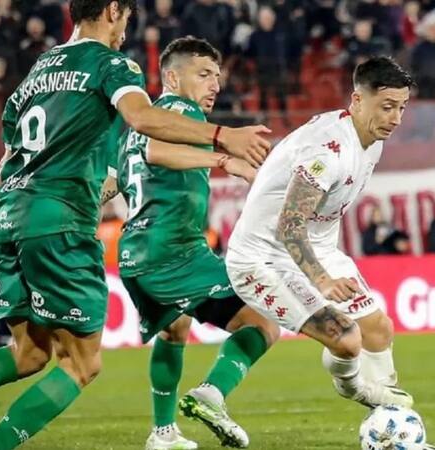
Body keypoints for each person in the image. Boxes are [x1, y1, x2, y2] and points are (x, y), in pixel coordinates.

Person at [0, 1, 271, 448]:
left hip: (11, 219)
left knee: (28, 355)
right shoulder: (111, 65)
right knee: (81, 365)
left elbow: (9, 161)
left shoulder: (37, 73)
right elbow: (143, 121)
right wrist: (225, 137)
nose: (127, 27)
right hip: (60, 224)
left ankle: (163, 432)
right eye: (126, 15)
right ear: (111, 10)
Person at [104, 36, 281, 450]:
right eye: (203, 75)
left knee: (174, 331)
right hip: (173, 250)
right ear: (171, 77)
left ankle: (163, 432)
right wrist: (225, 159)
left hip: (136, 251)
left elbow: (118, 178)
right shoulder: (176, 112)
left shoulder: (136, 126)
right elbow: (156, 149)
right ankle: (212, 394)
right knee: (263, 321)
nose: (214, 85)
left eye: (217, 76)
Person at [225, 57, 415, 418]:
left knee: (377, 329)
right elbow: (290, 225)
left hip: (319, 249)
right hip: (261, 259)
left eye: (402, 107)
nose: (396, 118)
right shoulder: (327, 152)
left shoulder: (372, 139)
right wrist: (322, 280)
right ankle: (360, 390)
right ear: (357, 100)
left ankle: (392, 427)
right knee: (346, 339)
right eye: (387, 107)